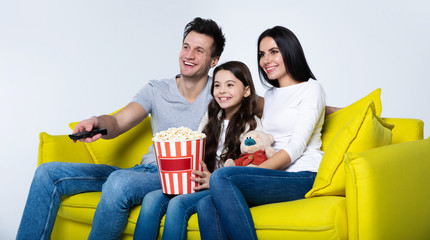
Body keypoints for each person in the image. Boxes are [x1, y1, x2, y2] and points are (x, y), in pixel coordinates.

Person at [16, 17, 226, 240]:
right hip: (140, 172)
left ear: (214, 61)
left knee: (119, 183)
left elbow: (256, 101)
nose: (189, 55)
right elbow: (117, 122)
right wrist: (97, 122)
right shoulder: (157, 90)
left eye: (199, 50)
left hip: (176, 174)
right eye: (186, 47)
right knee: (46, 173)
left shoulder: (222, 92)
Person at [196, 26, 326, 240]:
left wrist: (254, 172)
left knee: (222, 177)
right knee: (206, 204)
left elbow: (296, 147)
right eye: (261, 54)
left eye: (274, 52)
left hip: (303, 175)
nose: (266, 60)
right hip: (274, 175)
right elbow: (233, 98)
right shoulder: (270, 96)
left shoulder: (312, 89)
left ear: (290, 51)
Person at [133, 61, 263, 240]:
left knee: (178, 204)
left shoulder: (253, 125)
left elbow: (251, 169)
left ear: (247, 91)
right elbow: (196, 148)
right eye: (217, 85)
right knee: (151, 199)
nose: (222, 90)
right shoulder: (211, 117)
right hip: (199, 180)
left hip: (222, 187)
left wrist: (215, 180)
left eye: (230, 85)